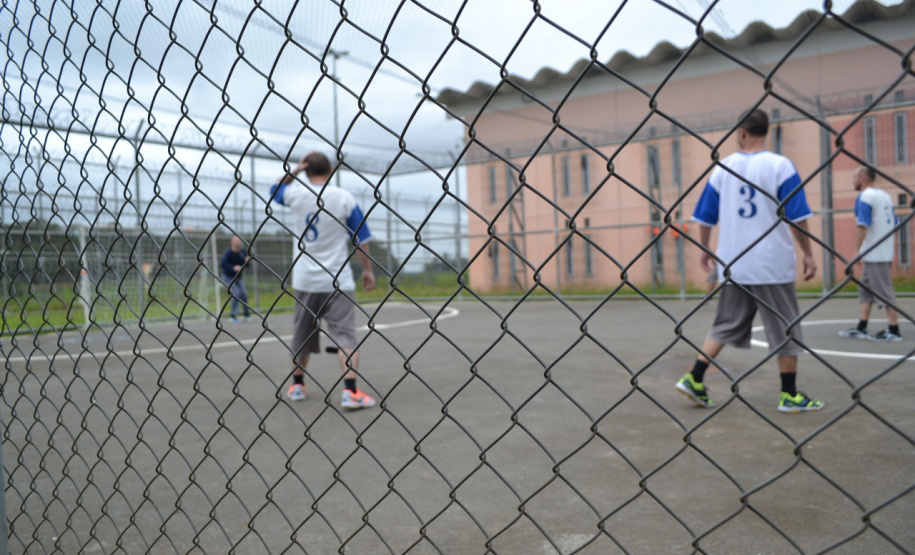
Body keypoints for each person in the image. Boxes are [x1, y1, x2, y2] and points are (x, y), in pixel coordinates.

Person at [676, 109, 824, 413]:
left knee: (726, 324)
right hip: (772, 263)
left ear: (741, 133)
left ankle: (695, 376)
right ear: (765, 131)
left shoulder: (723, 168)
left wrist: (705, 249)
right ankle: (789, 394)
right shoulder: (780, 166)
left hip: (734, 264)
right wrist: (807, 253)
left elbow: (704, 215)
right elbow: (797, 216)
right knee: (786, 327)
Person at [268, 151, 377, 410]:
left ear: (306, 170)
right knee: (345, 336)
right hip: (337, 280)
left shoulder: (295, 193)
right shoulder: (343, 198)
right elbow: (361, 239)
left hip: (305, 279)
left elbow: (274, 189)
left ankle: (297, 385)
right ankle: (350, 391)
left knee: (302, 334)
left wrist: (295, 170)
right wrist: (368, 270)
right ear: (330, 170)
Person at [838, 166, 901, 342]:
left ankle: (894, 329)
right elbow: (895, 222)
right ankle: (862, 327)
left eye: (854, 177)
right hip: (881, 251)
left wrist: (857, 250)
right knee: (865, 289)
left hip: (874, 253)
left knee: (883, 291)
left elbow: (862, 224)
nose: (852, 180)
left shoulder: (865, 197)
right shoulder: (885, 196)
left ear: (863, 178)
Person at [220, 235, 251, 323]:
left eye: (239, 241)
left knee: (244, 294)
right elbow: (222, 264)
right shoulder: (228, 253)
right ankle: (233, 315)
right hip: (228, 277)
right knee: (236, 293)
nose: (237, 242)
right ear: (231, 242)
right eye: (235, 241)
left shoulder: (242, 252)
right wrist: (233, 267)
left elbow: (247, 265)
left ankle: (246, 314)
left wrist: (247, 262)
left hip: (238, 277)